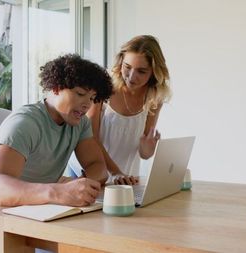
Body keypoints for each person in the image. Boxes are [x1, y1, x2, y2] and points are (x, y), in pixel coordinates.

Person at [0, 54, 113, 208]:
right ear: (56, 88)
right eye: (80, 94)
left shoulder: (80, 124)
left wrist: (78, 184)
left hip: (42, 211)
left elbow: (98, 166)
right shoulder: (25, 124)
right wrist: (56, 191)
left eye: (92, 98)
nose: (87, 105)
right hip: (1, 217)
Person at [68, 35, 172, 185]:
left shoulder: (154, 98)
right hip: (90, 171)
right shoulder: (104, 87)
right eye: (127, 67)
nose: (131, 77)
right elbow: (92, 138)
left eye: (141, 71)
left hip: (125, 177)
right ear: (120, 62)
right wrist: (115, 172)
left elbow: (144, 154)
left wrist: (148, 149)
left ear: (154, 72)